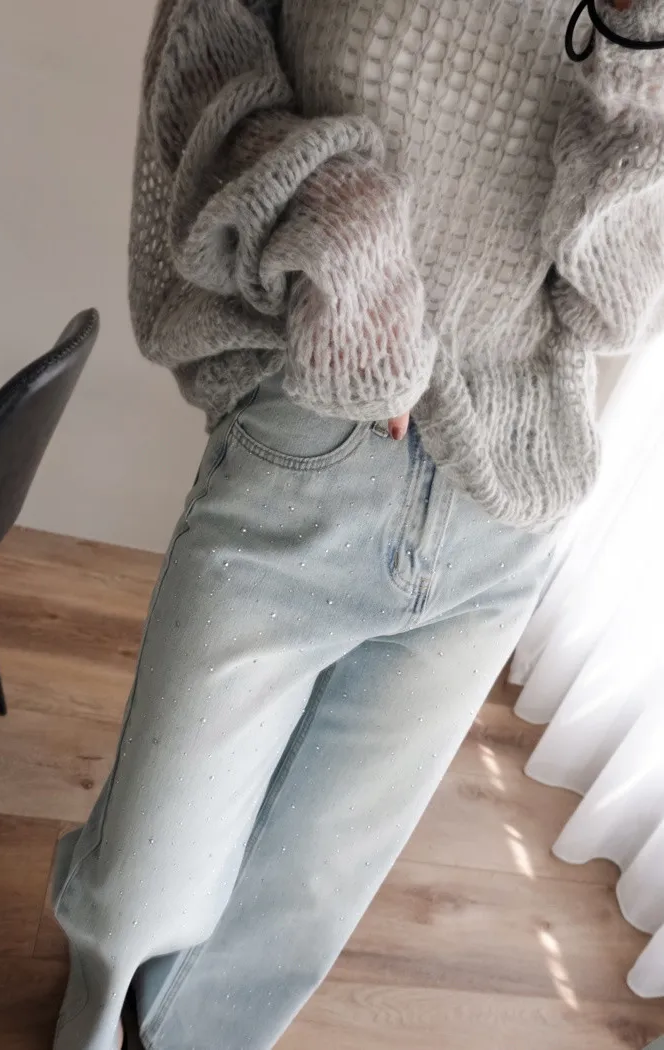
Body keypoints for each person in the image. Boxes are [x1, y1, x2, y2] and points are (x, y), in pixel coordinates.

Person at [52, 2, 664, 1048]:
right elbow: (205, 60)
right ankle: (96, 1014)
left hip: (505, 499)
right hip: (309, 442)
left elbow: (617, 308)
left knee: (306, 897)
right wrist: (334, 216)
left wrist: (639, 62)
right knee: (148, 877)